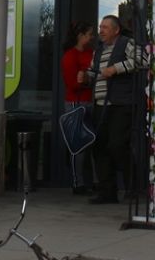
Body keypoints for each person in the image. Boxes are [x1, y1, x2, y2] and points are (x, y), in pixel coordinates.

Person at [79, 14, 146, 204]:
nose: (101, 31)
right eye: (100, 27)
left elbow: (143, 59)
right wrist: (85, 77)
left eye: (105, 27)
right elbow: (94, 73)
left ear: (116, 30)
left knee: (118, 145)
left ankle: (134, 187)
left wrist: (116, 68)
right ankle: (107, 192)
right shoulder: (99, 50)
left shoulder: (127, 43)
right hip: (101, 105)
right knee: (99, 147)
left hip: (121, 104)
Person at [60, 21, 95, 194]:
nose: (92, 37)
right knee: (78, 144)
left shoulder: (90, 53)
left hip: (89, 101)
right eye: (89, 34)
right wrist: (87, 80)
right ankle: (77, 183)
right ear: (80, 36)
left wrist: (87, 78)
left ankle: (93, 180)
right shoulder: (70, 56)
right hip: (76, 102)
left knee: (92, 142)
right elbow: (72, 84)